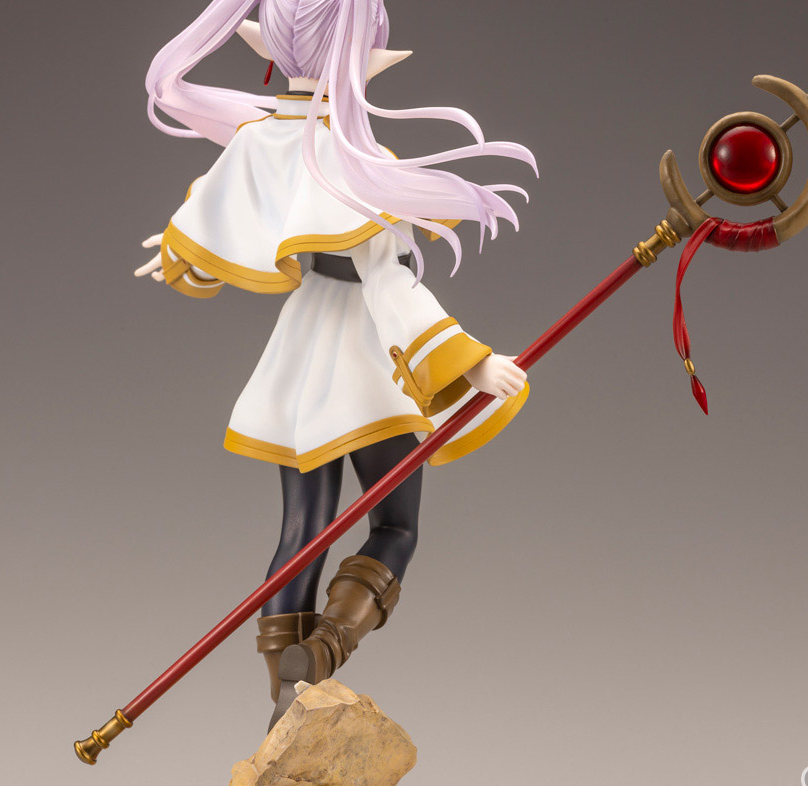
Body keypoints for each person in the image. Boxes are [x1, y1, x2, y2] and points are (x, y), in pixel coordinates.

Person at [135, 0, 536, 725]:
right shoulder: (357, 161)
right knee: (396, 529)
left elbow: (220, 223)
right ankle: (321, 654)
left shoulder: (258, 139)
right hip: (365, 361)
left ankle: (282, 698)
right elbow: (387, 283)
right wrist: (470, 362)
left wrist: (179, 254)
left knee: (301, 533)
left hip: (299, 356)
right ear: (363, 57)